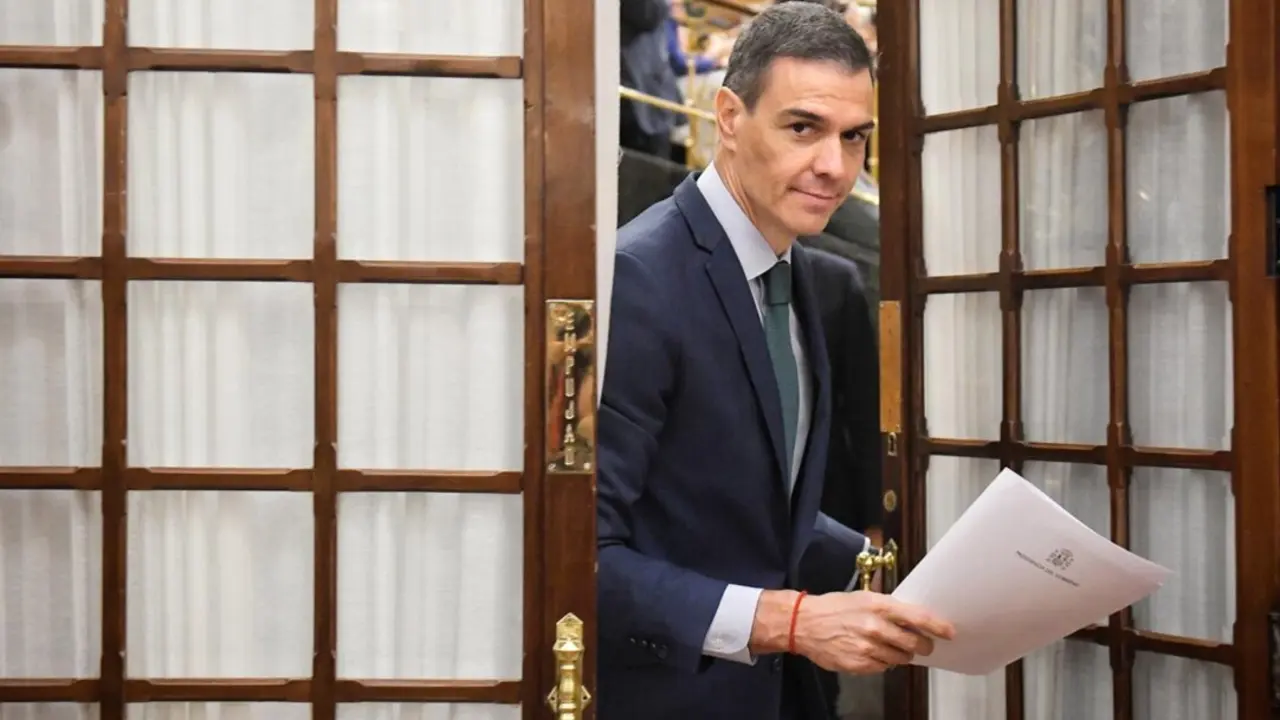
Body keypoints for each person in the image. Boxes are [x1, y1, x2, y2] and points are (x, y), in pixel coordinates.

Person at [596, 4, 956, 719]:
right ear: (728, 115)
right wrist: (789, 622)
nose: (835, 166)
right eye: (803, 128)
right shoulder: (639, 277)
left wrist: (896, 569)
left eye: (855, 138)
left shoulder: (807, 277)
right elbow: (583, 552)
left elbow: (743, 502)